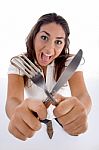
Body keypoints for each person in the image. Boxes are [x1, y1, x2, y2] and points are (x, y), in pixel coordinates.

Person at [6, 13, 92, 141]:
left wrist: (81, 111)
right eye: (44, 37)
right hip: (35, 122)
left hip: (63, 122)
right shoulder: (20, 63)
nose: (49, 50)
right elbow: (13, 99)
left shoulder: (70, 63)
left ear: (64, 45)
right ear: (34, 36)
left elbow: (82, 95)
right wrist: (17, 114)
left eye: (58, 42)